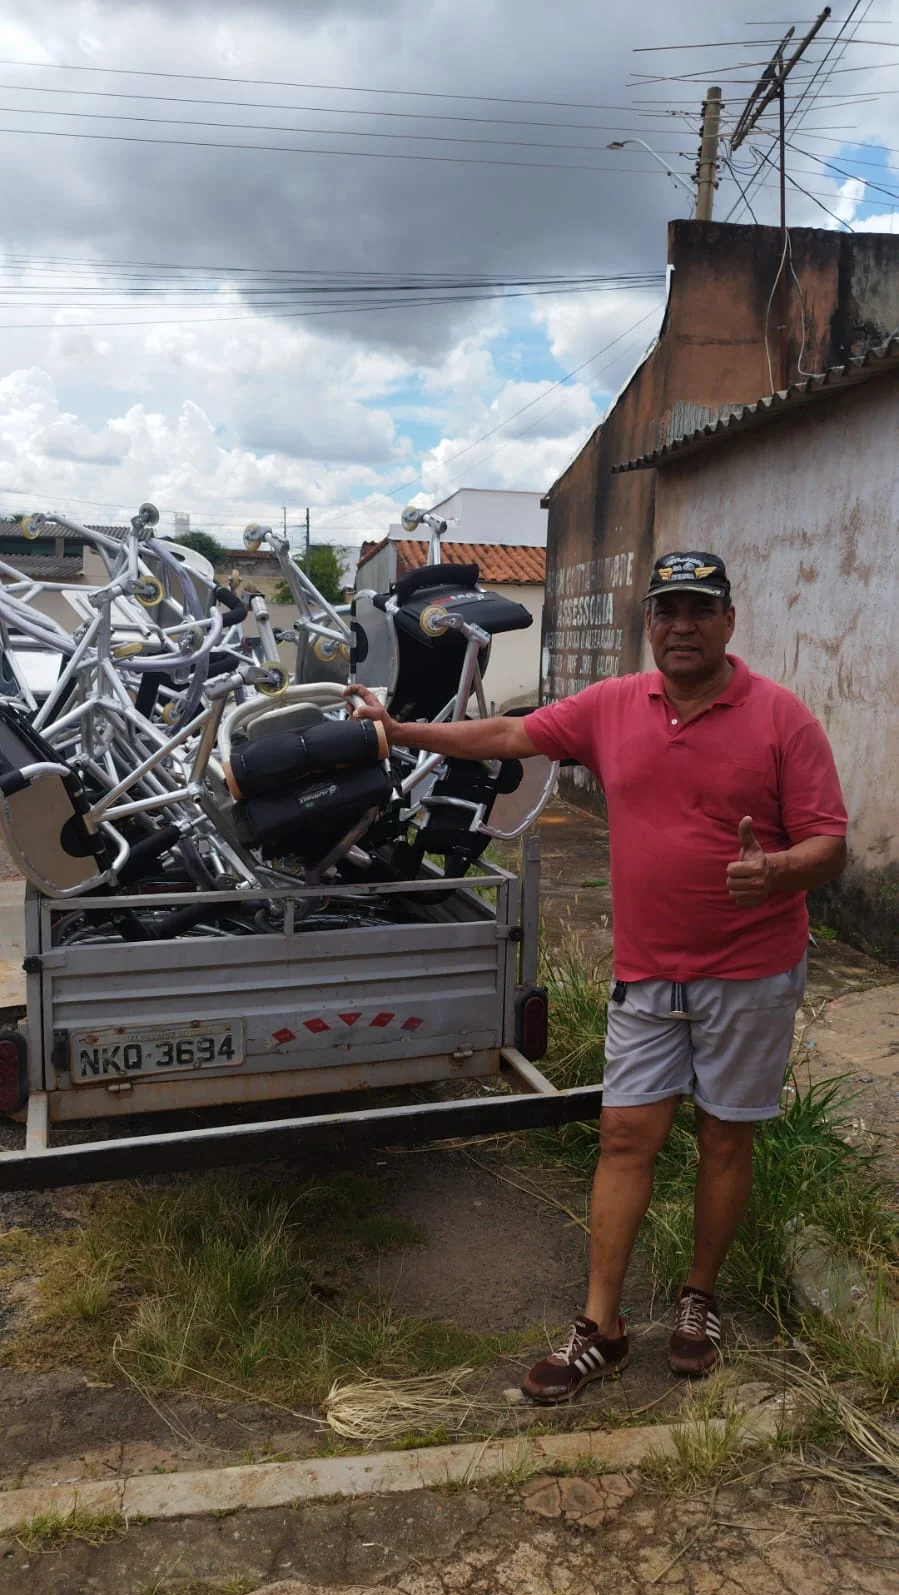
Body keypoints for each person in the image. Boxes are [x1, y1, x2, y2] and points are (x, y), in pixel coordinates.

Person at [345, 549, 847, 1401]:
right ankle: (600, 1326)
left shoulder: (781, 718)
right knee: (625, 1137)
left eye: (697, 609)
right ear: (648, 623)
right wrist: (401, 731)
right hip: (648, 972)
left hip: (751, 972)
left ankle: (697, 1298)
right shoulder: (614, 705)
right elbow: (509, 733)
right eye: (665, 610)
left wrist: (778, 874)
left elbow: (828, 843)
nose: (680, 625)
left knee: (725, 1138)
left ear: (728, 620)